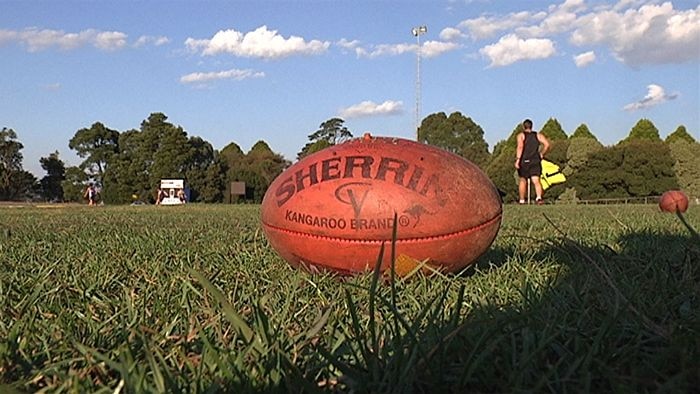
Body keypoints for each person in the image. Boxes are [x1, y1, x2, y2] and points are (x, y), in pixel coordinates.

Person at [515, 119, 550, 205]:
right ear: (531, 126)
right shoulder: (537, 135)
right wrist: (542, 153)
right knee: (536, 181)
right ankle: (539, 198)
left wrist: (518, 159)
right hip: (535, 160)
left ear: (524, 126)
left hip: (524, 160)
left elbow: (520, 147)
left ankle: (522, 200)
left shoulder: (521, 136)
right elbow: (547, 144)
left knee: (523, 180)